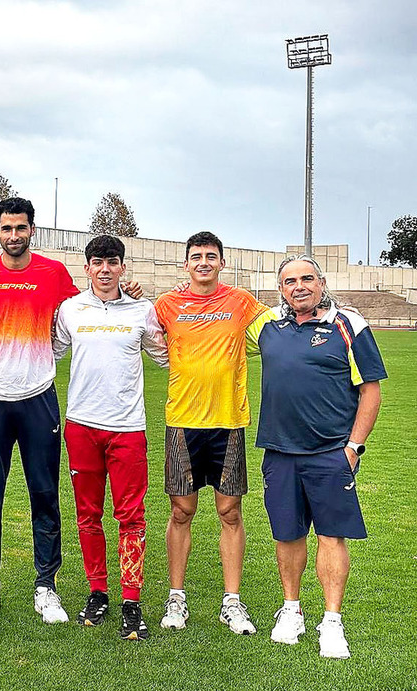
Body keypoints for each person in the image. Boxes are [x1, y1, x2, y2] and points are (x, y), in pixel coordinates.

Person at [247, 256, 386, 659]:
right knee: (287, 535)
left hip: (330, 453)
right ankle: (291, 610)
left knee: (330, 535)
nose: (299, 286)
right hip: (279, 451)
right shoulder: (267, 324)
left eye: (307, 278)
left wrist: (353, 448)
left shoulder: (349, 325)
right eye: (290, 281)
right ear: (280, 288)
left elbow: (370, 391)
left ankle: (332, 622)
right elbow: (218, 327)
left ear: (321, 283)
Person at [0, 197, 80, 625]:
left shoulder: (54, 273)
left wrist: (129, 294)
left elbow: (81, 313)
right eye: (6, 229)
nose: (14, 236)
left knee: (45, 493)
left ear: (32, 230)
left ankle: (46, 586)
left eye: (21, 228)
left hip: (38, 396)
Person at [153, 231, 269, 635]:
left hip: (228, 422)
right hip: (182, 422)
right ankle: (176, 598)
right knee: (181, 511)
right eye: (196, 256)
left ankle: (231, 603)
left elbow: (278, 327)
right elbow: (139, 328)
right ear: (185, 263)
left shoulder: (241, 302)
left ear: (222, 262)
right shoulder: (166, 306)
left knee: (229, 512)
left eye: (211, 256)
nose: (203, 262)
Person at [53, 235, 168, 640]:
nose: (104, 269)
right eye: (97, 263)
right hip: (81, 425)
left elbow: (166, 354)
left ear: (123, 267)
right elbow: (49, 352)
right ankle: (98, 591)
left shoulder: (142, 310)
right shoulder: (70, 310)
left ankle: (132, 600)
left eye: (112, 262)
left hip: (128, 428)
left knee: (131, 516)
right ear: (86, 268)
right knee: (88, 515)